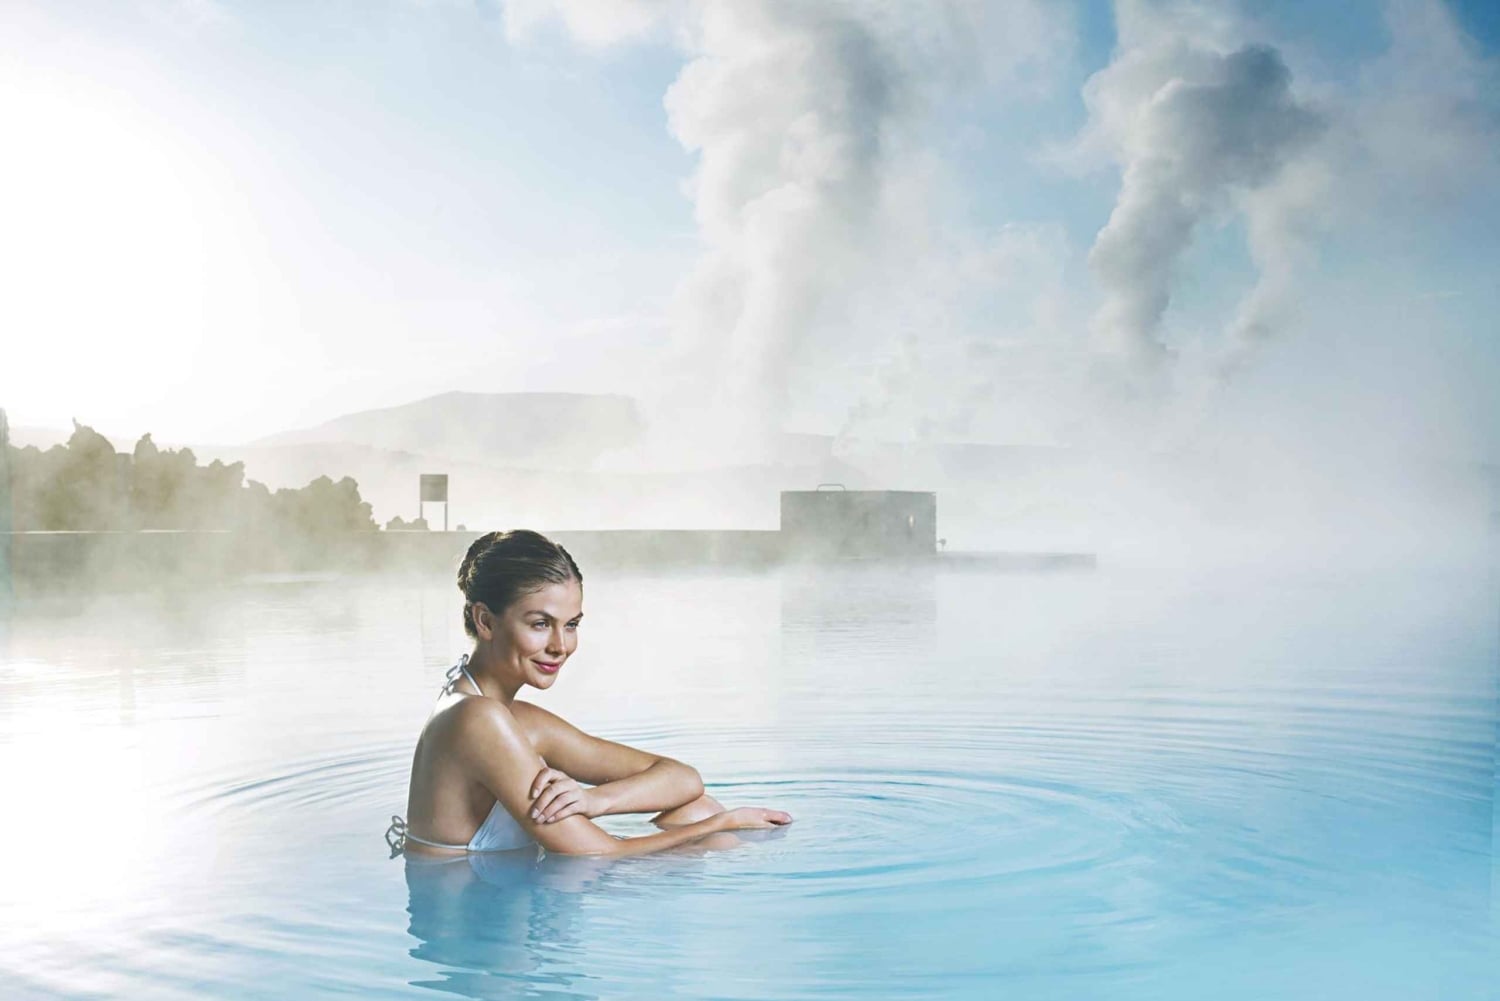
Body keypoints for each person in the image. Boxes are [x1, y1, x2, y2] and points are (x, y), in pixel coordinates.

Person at [387, 529, 792, 858]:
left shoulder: (512, 718)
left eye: (572, 624)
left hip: (511, 909)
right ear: (486, 621)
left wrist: (594, 800)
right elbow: (598, 853)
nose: (561, 646)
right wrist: (723, 823)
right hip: (473, 935)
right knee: (707, 821)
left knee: (694, 808)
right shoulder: (477, 719)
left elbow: (683, 779)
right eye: (541, 623)